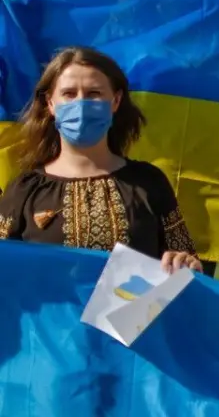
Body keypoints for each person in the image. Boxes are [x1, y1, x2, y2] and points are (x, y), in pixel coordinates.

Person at [0, 47, 201, 273]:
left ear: (115, 101)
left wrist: (186, 266)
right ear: (50, 104)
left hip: (136, 309)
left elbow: (186, 267)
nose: (81, 104)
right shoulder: (24, 191)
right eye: (69, 94)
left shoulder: (148, 182)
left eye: (94, 93)